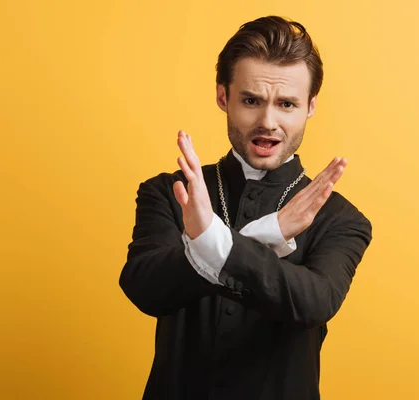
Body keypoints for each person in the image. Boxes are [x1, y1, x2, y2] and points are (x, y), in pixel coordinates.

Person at [119, 15, 373, 400]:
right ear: (223, 96)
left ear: (310, 107)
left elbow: (313, 301)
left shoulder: (341, 219)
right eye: (251, 100)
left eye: (287, 104)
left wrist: (210, 241)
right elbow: (145, 288)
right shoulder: (170, 192)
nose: (268, 122)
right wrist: (266, 233)